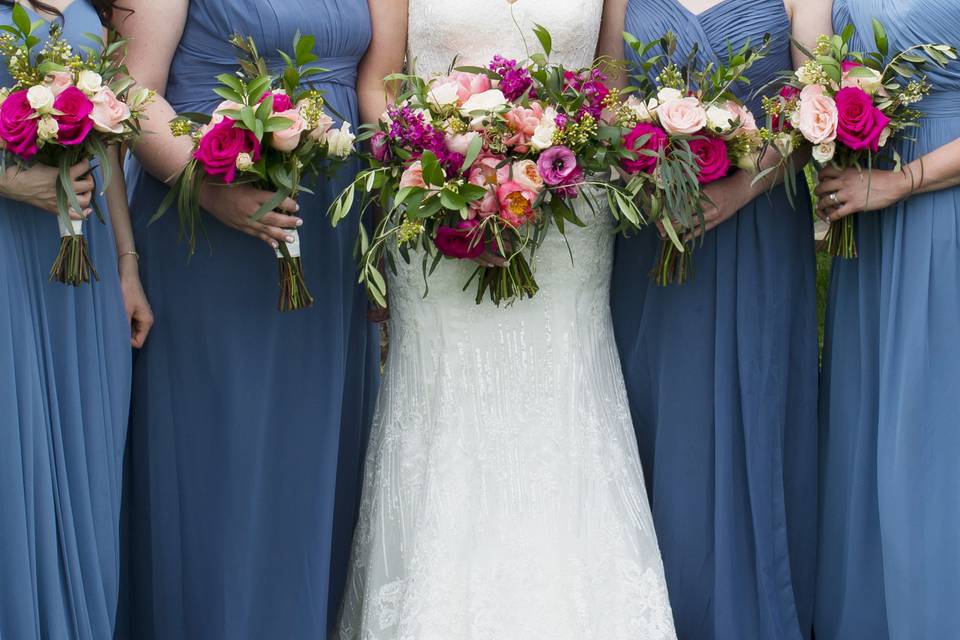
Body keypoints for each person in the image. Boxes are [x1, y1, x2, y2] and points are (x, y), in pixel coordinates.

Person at [336, 1, 677, 638]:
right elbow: (378, 80)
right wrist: (438, 170)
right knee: (446, 398)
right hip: (436, 200)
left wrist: (557, 162)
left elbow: (609, 80)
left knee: (562, 393)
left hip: (568, 212)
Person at [116, 0, 377, 637]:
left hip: (331, 233)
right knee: (223, 456)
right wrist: (206, 189)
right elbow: (131, 86)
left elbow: (378, 88)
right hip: (209, 223)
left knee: (314, 453)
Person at [599, 0, 831, 637]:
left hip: (758, 223)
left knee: (755, 398)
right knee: (659, 401)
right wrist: (645, 183)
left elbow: (813, 110)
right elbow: (611, 104)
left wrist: (741, 187)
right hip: (653, 228)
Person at [0, 1, 152, 638]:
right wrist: (7, 180)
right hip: (9, 257)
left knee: (88, 474)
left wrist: (126, 263)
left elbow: (110, 147)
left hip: (82, 266)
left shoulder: (92, 7)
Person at [816, 0, 960, 637]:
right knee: (865, 413)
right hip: (864, 217)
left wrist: (904, 180)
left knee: (928, 423)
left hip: (938, 212)